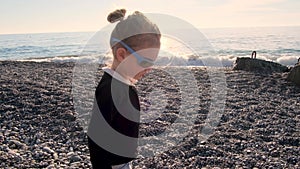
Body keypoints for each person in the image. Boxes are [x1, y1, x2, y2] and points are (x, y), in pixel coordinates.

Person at [87, 9, 161, 169]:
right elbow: (96, 138)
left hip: (123, 161)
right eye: (146, 62)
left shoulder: (123, 83)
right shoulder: (110, 90)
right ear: (122, 55)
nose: (149, 69)